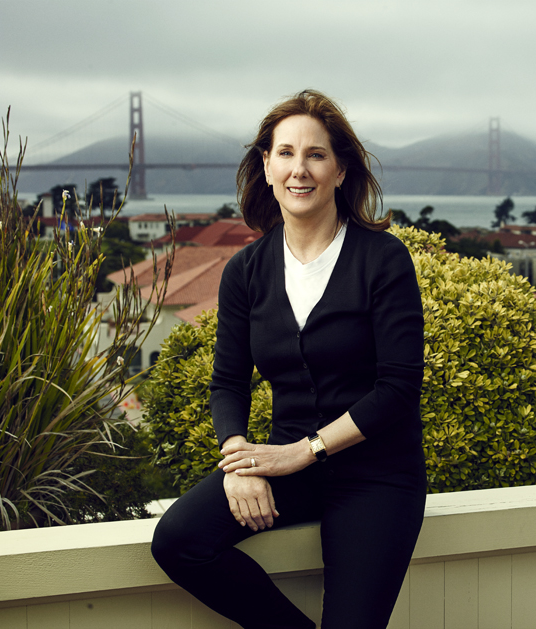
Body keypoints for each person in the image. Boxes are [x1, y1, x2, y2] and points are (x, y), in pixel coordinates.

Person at [151, 90, 427, 629]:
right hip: (287, 465)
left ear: (341, 170)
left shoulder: (383, 259)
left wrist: (301, 452)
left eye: (316, 155)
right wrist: (239, 461)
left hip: (376, 474)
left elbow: (398, 389)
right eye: (285, 153)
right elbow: (227, 382)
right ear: (266, 165)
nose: (299, 170)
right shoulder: (246, 271)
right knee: (179, 541)